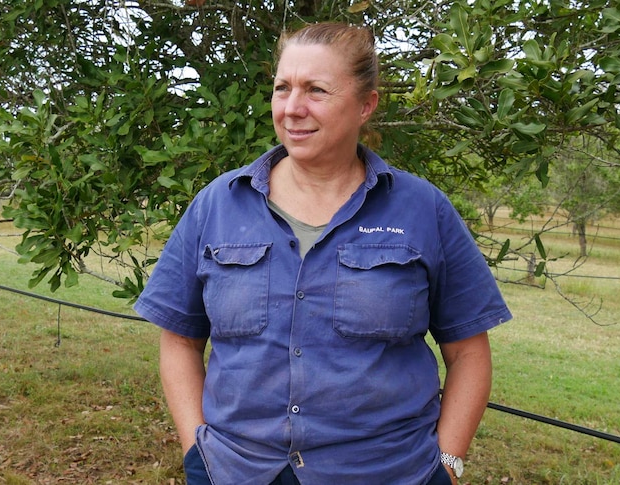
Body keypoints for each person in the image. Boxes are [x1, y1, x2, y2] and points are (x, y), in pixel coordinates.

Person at [134, 22, 512, 485]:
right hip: (238, 472)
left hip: (387, 473)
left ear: (365, 106)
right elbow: (180, 338)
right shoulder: (218, 204)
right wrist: (198, 452)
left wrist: (448, 464)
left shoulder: (423, 210)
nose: (293, 108)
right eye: (282, 88)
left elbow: (469, 351)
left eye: (316, 90)